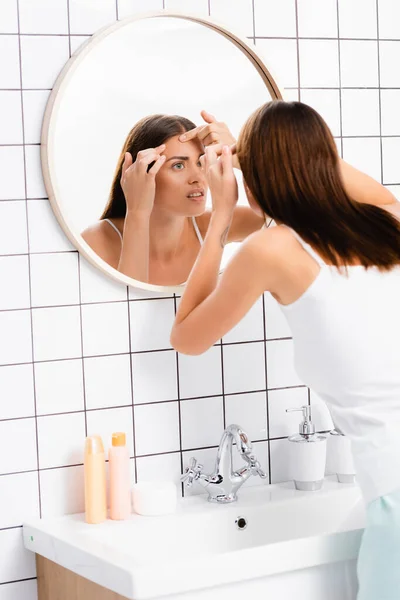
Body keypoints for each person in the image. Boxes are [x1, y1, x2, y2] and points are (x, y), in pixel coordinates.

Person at [170, 100, 400, 599]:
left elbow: (187, 338)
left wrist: (223, 210)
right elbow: (343, 178)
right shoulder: (391, 222)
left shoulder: (273, 251)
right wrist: (261, 152)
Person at [81, 111, 264, 285]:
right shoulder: (97, 240)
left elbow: (288, 221)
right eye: (178, 165)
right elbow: (129, 305)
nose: (198, 177)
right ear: (141, 173)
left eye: (200, 162)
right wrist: (137, 212)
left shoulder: (210, 223)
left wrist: (242, 158)